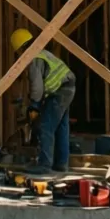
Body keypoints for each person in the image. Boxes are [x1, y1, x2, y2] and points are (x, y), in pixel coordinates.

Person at [10, 28, 77, 174]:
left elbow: (37, 87)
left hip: (59, 92)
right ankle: (61, 164)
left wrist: (34, 105)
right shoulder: (43, 53)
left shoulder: (34, 59)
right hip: (68, 88)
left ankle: (44, 165)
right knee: (61, 127)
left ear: (21, 49)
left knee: (46, 127)